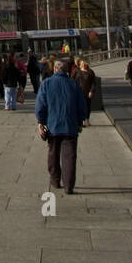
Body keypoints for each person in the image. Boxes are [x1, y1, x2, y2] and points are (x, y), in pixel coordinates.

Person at [35, 58, 87, 193]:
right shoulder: (73, 84)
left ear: (55, 69)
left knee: (53, 153)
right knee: (69, 157)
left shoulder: (46, 83)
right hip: (70, 126)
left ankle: (55, 180)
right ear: (66, 70)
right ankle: (69, 186)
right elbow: (82, 105)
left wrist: (40, 122)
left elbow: (40, 105)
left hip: (52, 126)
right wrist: (81, 120)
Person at [75, 57, 96, 125]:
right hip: (79, 92)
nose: (83, 65)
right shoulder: (77, 71)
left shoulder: (90, 72)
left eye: (85, 64)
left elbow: (93, 83)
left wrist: (91, 91)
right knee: (81, 106)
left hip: (87, 92)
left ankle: (87, 119)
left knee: (87, 106)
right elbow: (72, 81)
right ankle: (83, 120)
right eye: (82, 64)